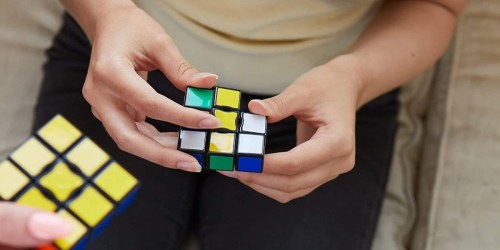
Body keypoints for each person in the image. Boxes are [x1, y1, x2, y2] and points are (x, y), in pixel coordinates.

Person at [0, 0, 466, 249]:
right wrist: (108, 15)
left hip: (326, 96)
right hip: (122, 59)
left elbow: (437, 5)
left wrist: (355, 77)